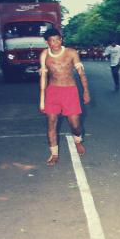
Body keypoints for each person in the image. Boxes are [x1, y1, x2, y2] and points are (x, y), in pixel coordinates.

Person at [38, 28, 90, 166]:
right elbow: (43, 77)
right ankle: (54, 154)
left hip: (70, 91)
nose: (55, 43)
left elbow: (81, 73)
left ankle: (78, 140)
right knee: (51, 123)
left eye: (57, 39)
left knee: (75, 125)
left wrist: (85, 91)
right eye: (52, 40)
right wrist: (42, 100)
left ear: (61, 39)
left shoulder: (71, 52)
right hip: (52, 92)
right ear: (47, 42)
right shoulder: (44, 54)